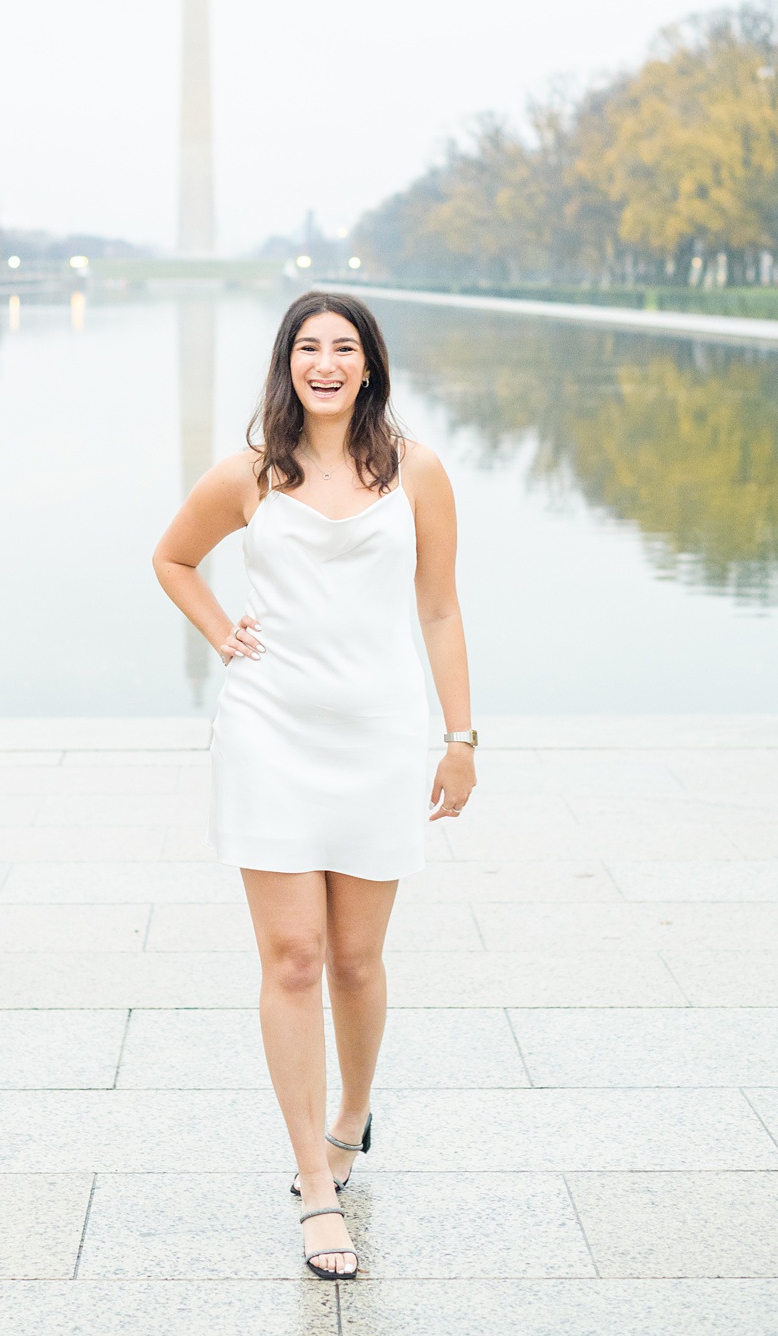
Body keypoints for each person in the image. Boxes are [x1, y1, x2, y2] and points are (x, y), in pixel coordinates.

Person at [150, 290, 477, 1283]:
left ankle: (349, 1117)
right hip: (270, 731)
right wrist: (220, 631)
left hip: (378, 733)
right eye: (308, 347)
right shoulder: (251, 473)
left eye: (344, 347)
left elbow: (439, 608)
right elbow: (172, 558)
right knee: (291, 960)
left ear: (370, 365)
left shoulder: (415, 469)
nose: (325, 362)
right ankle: (314, 1182)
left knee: (355, 960)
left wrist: (459, 736)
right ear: (286, 363)